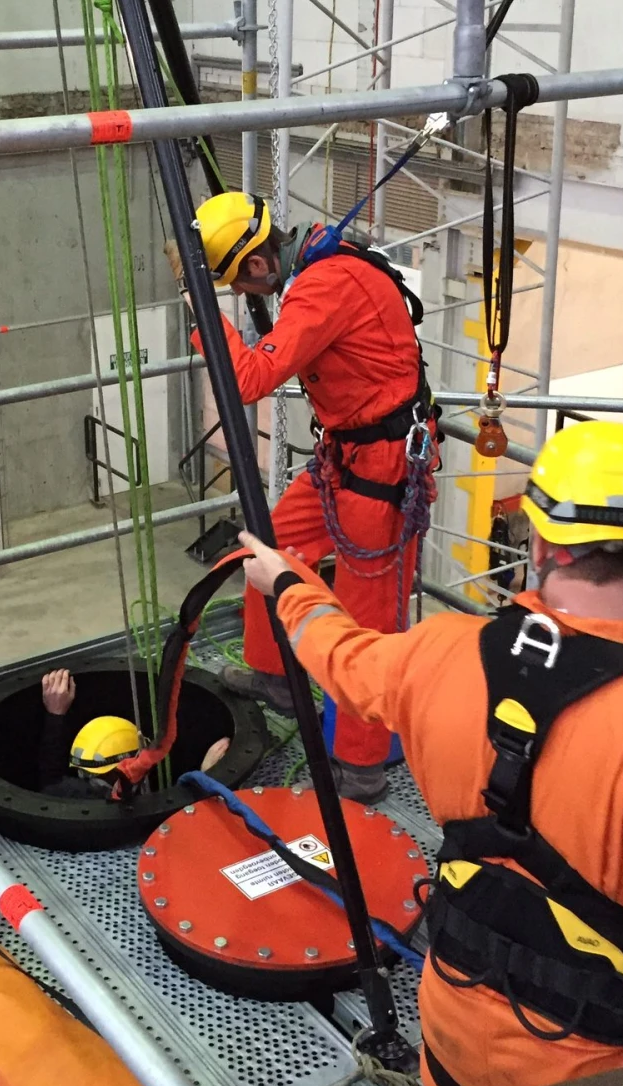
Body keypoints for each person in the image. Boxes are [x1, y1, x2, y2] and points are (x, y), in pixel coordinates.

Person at [236, 420, 623, 1086]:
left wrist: (286, 583)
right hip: (596, 1076)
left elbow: (339, 654)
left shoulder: (440, 653)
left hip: (456, 1018)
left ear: (543, 539)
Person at [172, 191, 437, 802]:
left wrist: (200, 314)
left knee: (367, 619)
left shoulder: (327, 283)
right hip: (345, 456)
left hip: (382, 467)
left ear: (260, 264)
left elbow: (247, 380)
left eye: (238, 282)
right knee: (270, 546)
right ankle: (278, 677)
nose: (242, 293)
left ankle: (362, 766)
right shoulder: (319, 268)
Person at [37, 669, 229, 797]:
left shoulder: (66, 792)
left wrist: (55, 714)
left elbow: (50, 779)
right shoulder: (119, 811)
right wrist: (207, 780)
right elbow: (174, 824)